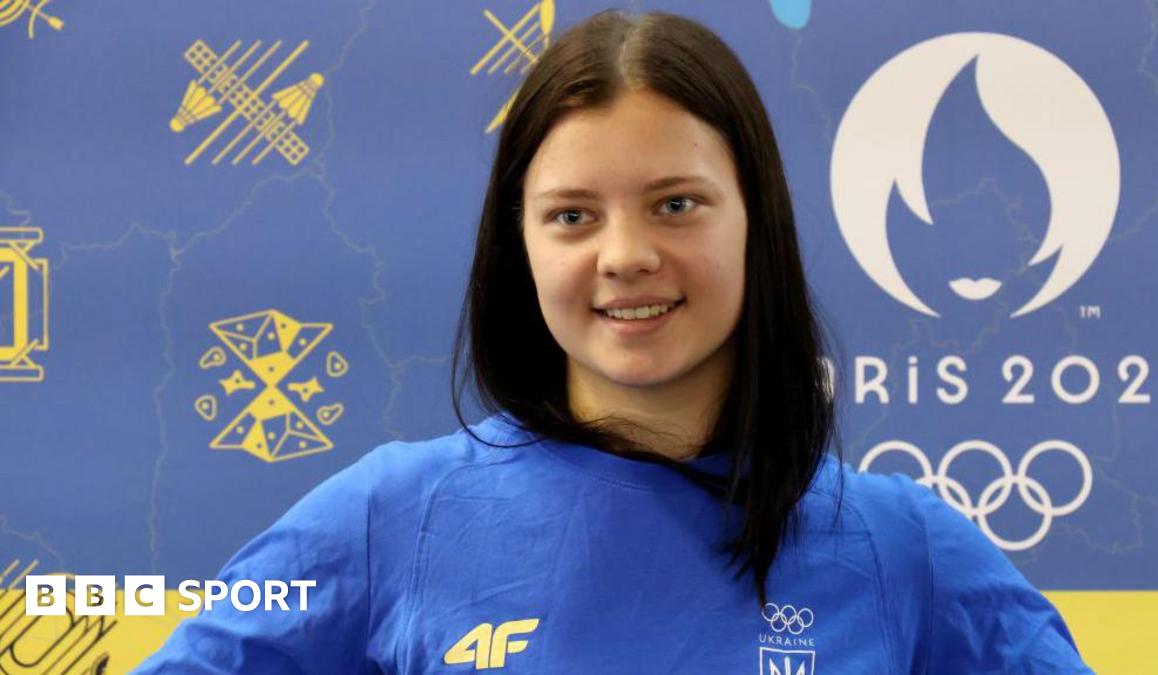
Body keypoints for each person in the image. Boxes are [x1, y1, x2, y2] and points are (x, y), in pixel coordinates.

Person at [134, 9, 1094, 674]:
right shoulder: (391, 517)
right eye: (571, 216)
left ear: (755, 219)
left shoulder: (899, 545)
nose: (626, 255)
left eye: (676, 204)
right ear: (520, 244)